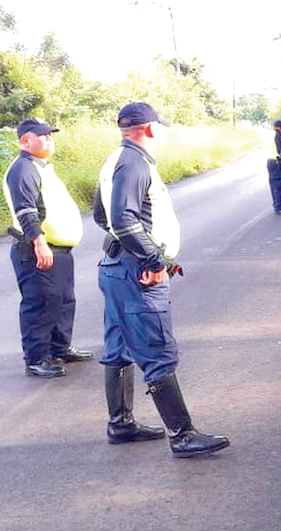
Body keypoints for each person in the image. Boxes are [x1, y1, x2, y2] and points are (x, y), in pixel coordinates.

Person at [92, 102, 230, 458]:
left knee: (119, 346)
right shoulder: (135, 163)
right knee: (157, 350)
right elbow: (123, 220)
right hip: (138, 272)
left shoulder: (114, 161)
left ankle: (120, 423)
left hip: (117, 267)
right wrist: (154, 258)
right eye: (160, 127)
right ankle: (183, 435)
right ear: (150, 128)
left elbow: (100, 215)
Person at [3, 117, 93, 378]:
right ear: (25, 140)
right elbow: (26, 210)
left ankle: (59, 348)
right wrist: (38, 241)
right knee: (40, 303)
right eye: (42, 135)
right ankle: (36, 358)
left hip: (59, 249)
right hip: (38, 248)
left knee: (63, 300)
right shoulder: (23, 169)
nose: (48, 138)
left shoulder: (41, 167)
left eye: (50, 134)